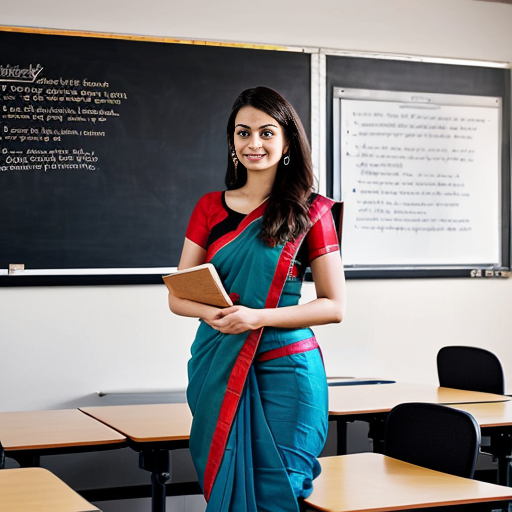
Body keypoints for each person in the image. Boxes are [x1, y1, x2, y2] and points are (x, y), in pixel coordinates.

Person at [168, 86, 346, 512]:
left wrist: (256, 317)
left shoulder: (312, 211)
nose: (254, 144)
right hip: (219, 363)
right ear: (231, 141)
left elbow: (333, 306)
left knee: (280, 490)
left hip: (287, 373)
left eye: (267, 133)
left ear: (286, 142)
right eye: (243, 133)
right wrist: (219, 315)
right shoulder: (209, 207)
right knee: (225, 483)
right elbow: (178, 294)